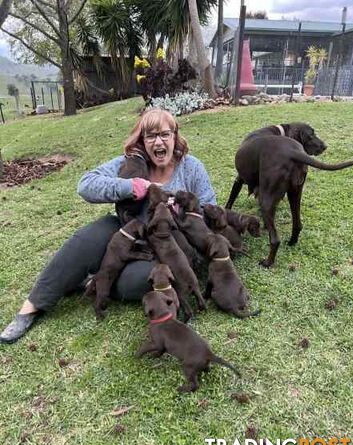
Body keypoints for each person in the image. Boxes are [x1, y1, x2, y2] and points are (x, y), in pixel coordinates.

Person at [0, 109, 216, 344]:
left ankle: (92, 281)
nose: (159, 141)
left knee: (132, 283)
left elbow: (209, 211)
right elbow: (86, 185)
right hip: (127, 230)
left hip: (167, 246)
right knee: (85, 241)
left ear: (175, 136)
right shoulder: (131, 162)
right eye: (151, 136)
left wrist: (183, 214)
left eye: (165, 134)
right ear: (143, 141)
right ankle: (30, 308)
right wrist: (131, 186)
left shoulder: (191, 167)